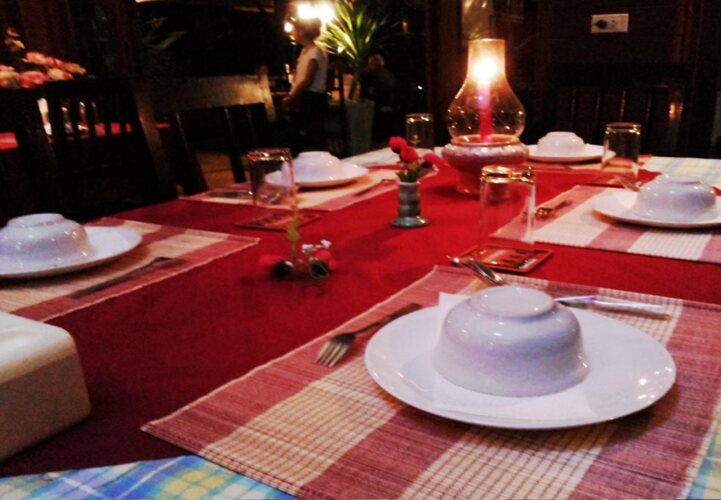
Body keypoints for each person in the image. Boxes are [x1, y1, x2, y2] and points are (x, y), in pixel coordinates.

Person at [282, 18, 328, 154]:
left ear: (301, 32)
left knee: (313, 134)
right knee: (294, 131)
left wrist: (291, 97)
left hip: (312, 97)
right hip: (304, 95)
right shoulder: (304, 51)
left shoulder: (315, 52)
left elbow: (307, 80)